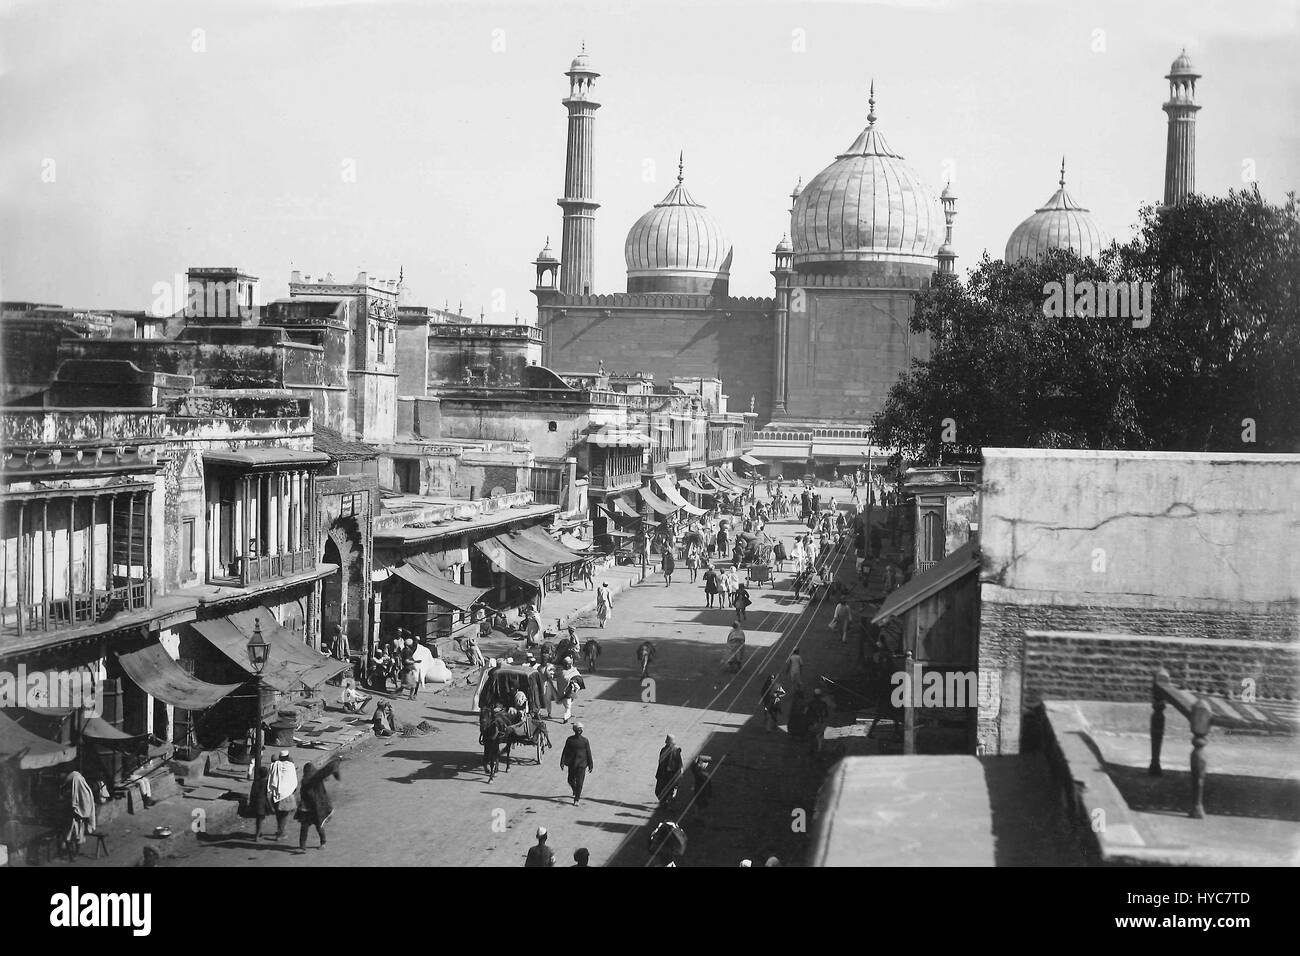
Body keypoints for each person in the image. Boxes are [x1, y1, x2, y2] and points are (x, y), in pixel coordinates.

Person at [295, 758, 340, 853]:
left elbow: (303, 794)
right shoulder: (316, 779)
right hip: (317, 808)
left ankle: (302, 846)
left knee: (304, 827)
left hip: (307, 809)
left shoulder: (305, 781)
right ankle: (322, 843)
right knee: (319, 826)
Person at [62, 769, 96, 859]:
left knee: (73, 835)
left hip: (76, 817)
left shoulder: (79, 785)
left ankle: (74, 854)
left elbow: (84, 807)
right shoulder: (80, 785)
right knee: (74, 835)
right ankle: (72, 854)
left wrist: (75, 810)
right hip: (75, 817)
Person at [267, 751, 299, 840]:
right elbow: (293, 781)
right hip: (287, 795)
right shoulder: (290, 766)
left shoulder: (275, 765)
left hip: (276, 794)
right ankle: (281, 833)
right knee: (284, 815)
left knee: (279, 814)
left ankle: (280, 830)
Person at [559, 723, 594, 806]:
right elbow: (565, 751)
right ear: (574, 730)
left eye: (580, 729)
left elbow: (588, 753)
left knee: (580, 783)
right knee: (570, 780)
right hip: (572, 764)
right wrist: (562, 762)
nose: (579, 731)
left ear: (582, 731)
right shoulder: (570, 740)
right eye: (577, 729)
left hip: (582, 765)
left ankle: (577, 799)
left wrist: (590, 764)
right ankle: (575, 790)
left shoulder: (585, 741)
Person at [655, 734, 683, 807]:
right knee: (659, 790)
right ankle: (665, 802)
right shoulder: (664, 750)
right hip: (664, 774)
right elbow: (660, 762)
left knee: (669, 790)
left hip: (671, 774)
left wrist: (678, 774)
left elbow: (679, 764)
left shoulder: (676, 751)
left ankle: (667, 803)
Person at [247, 763, 272, 841]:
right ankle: (257, 835)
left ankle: (258, 832)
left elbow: (252, 792)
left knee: (258, 819)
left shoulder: (256, 782)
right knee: (260, 819)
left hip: (256, 802)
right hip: (262, 803)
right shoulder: (265, 782)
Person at [805, 688, 831, 755]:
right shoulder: (823, 704)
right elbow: (826, 715)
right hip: (820, 723)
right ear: (820, 696)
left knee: (811, 737)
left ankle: (812, 750)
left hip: (812, 723)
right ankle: (819, 751)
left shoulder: (810, 703)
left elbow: (806, 713)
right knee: (820, 737)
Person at [558, 656, 583, 723]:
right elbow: (562, 680)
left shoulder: (574, 670)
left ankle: (566, 717)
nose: (567, 665)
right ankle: (567, 716)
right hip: (564, 692)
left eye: (568, 663)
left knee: (568, 706)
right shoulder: (561, 672)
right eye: (565, 663)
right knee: (567, 706)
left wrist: (575, 681)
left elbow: (578, 676)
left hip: (570, 692)